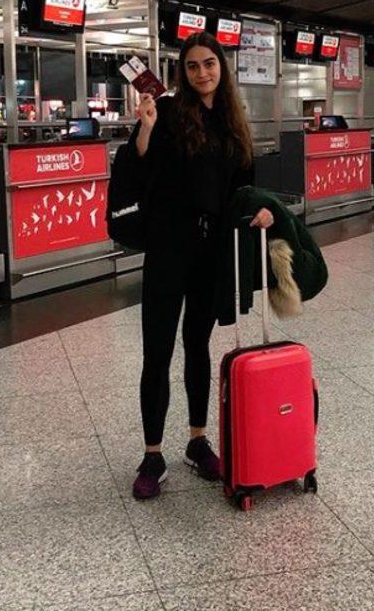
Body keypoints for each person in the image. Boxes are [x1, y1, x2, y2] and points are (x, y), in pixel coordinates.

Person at [131, 31, 273, 500]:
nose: (202, 73)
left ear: (221, 67)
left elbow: (243, 184)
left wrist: (260, 210)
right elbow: (138, 168)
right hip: (168, 248)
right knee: (157, 350)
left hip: (211, 253)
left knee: (197, 344)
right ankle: (153, 454)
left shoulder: (233, 119)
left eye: (209, 63)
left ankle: (196, 440)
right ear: (183, 72)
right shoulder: (168, 111)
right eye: (192, 66)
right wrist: (146, 127)